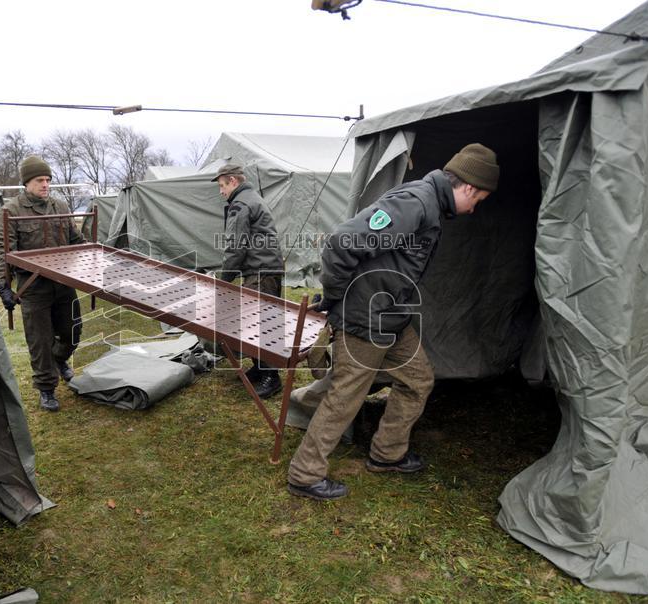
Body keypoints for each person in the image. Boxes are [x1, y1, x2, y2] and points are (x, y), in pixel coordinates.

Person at [286, 143, 499, 500]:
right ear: (468, 187)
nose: (475, 208)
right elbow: (341, 243)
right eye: (478, 200)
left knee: (418, 380)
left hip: (392, 318)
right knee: (345, 396)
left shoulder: (431, 206)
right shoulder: (415, 203)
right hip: (366, 318)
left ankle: (387, 454)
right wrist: (336, 297)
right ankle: (305, 474)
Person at [0, 155, 86, 412]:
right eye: (39, 180)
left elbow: (77, 241)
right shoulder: (12, 211)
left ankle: (59, 360)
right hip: (33, 286)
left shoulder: (60, 206)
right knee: (40, 340)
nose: (45, 185)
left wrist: (96, 256)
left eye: (47, 180)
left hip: (63, 281)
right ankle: (46, 388)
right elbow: (4, 250)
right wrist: (3, 285)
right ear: (26, 183)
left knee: (72, 332)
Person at [212, 163, 285, 399]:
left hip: (260, 270)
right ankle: (260, 367)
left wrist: (224, 280)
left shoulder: (241, 203)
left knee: (260, 323)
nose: (221, 191)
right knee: (259, 320)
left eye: (222, 185)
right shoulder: (252, 197)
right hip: (267, 268)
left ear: (233, 181)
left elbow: (235, 246)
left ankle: (271, 377)